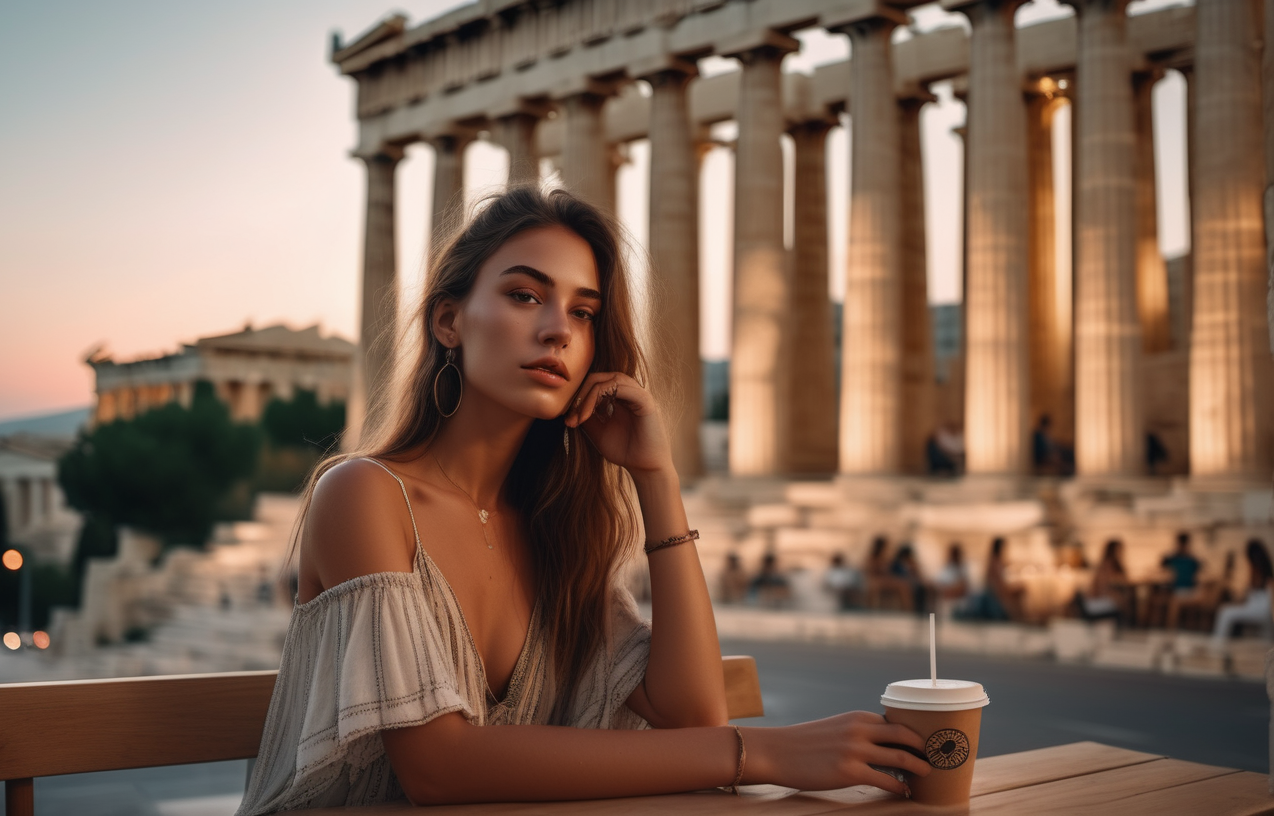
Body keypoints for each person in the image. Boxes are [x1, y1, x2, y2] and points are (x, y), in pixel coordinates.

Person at [235, 187, 929, 813]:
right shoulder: (363, 494)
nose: (558, 330)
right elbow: (438, 769)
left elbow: (692, 714)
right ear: (449, 321)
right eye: (524, 295)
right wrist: (761, 753)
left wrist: (655, 478)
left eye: (584, 310)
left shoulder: (552, 528)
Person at [1213, 539, 1272, 644]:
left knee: (1225, 612)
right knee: (1227, 609)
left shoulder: (1258, 571)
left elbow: (1254, 594)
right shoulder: (1264, 571)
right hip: (1262, 610)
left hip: (1260, 610)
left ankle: (1217, 643)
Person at [1078, 539, 1129, 624]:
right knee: (1122, 603)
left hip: (1100, 600)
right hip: (1095, 603)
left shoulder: (1113, 566)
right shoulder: (1106, 565)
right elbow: (1102, 589)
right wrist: (1116, 597)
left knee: (1123, 602)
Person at [933, 543, 971, 616]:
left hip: (957, 599)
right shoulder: (946, 569)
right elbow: (939, 584)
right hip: (946, 597)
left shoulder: (962, 569)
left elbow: (963, 588)